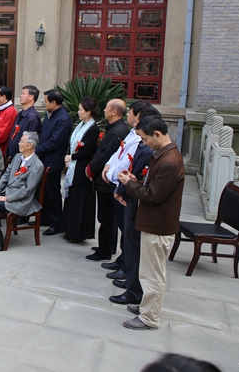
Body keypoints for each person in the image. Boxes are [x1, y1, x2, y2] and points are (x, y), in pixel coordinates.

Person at [117, 115, 185, 330]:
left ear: (157, 134)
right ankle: (147, 307)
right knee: (147, 271)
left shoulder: (169, 162)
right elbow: (152, 187)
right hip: (152, 222)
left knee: (153, 274)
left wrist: (130, 184)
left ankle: (149, 317)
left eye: (146, 139)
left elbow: (153, 195)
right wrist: (136, 181)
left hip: (158, 225)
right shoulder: (163, 155)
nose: (144, 144)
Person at [109, 105, 160, 307]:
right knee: (130, 243)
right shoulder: (143, 145)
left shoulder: (150, 151)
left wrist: (124, 187)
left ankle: (134, 290)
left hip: (136, 201)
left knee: (135, 248)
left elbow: (140, 177)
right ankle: (131, 284)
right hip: (129, 195)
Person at [101, 101, 148, 274]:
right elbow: (117, 154)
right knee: (123, 227)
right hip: (116, 181)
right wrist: (107, 167)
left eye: (130, 113)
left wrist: (111, 173)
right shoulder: (130, 133)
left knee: (128, 230)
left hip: (125, 186)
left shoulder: (139, 139)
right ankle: (122, 259)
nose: (127, 115)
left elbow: (127, 163)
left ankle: (127, 266)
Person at [86, 98, 129, 261]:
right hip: (104, 178)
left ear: (114, 112)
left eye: (106, 108)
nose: (103, 110)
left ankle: (105, 250)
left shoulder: (118, 131)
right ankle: (107, 246)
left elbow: (106, 154)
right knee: (107, 215)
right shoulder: (114, 128)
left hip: (107, 180)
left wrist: (91, 169)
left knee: (106, 216)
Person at [61, 97, 101, 242]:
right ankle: (68, 228)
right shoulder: (80, 125)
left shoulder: (93, 128)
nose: (78, 112)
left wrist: (72, 157)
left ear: (89, 112)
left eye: (80, 110)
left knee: (80, 200)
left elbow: (88, 150)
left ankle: (77, 232)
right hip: (73, 166)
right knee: (71, 198)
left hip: (82, 168)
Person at [36, 89, 72, 236]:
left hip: (54, 159)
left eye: (46, 102)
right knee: (42, 190)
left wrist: (38, 150)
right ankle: (44, 217)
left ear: (54, 102)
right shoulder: (50, 114)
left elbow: (55, 142)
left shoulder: (63, 118)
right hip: (45, 157)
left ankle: (56, 223)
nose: (44, 104)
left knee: (52, 192)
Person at [6, 85, 42, 162]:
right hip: (13, 156)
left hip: (21, 158)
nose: (21, 96)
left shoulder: (33, 117)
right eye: (21, 94)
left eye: (23, 94)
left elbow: (30, 142)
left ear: (31, 97)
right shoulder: (20, 114)